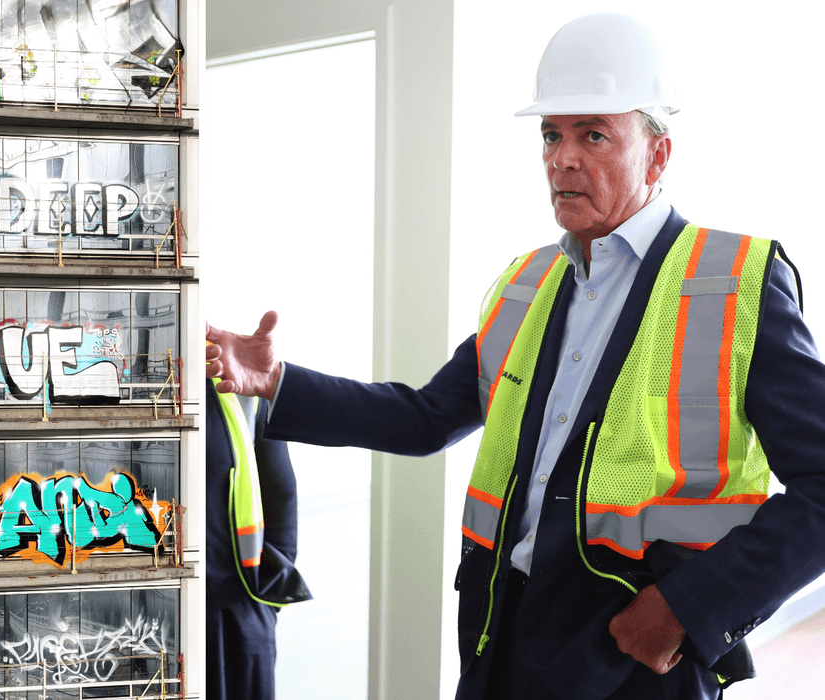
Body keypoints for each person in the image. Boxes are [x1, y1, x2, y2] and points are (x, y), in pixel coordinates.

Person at [205, 13, 825, 700]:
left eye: (592, 134)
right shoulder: (526, 286)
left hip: (633, 657)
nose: (562, 157)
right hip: (499, 637)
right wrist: (274, 381)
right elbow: (423, 418)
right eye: (550, 134)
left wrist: (688, 610)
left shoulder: (732, 282)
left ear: (656, 155)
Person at [206, 373, 310, 699]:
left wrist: (264, 605)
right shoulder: (230, 375)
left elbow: (280, 491)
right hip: (235, 614)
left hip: (235, 617)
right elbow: (283, 490)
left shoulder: (235, 377)